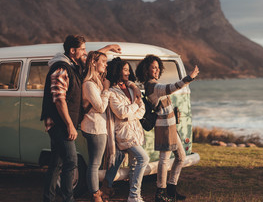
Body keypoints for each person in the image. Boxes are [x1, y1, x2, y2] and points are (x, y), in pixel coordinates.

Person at [41, 35, 135, 202]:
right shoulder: (61, 69)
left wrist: (108, 47)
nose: (85, 53)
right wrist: (70, 125)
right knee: (71, 161)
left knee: (56, 164)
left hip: (64, 122)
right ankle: (68, 199)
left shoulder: (74, 66)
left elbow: (93, 58)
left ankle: (48, 198)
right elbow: (59, 99)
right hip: (58, 123)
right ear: (72, 51)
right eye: (82, 49)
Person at [135, 55, 199, 202]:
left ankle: (171, 189)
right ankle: (160, 192)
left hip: (170, 125)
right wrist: (189, 78)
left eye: (158, 67)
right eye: (154, 67)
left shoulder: (154, 84)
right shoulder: (151, 86)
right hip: (163, 126)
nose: (157, 70)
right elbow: (171, 88)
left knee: (181, 157)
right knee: (164, 160)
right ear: (147, 69)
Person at [101, 57, 149, 202]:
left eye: (129, 70)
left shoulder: (130, 88)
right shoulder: (112, 92)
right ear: (117, 71)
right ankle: (134, 195)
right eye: (125, 70)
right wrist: (135, 106)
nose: (128, 72)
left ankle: (132, 195)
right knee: (143, 158)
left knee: (134, 163)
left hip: (135, 130)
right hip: (124, 133)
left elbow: (142, 111)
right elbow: (121, 113)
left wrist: (132, 111)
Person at [80, 51, 110, 202]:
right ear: (93, 63)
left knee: (95, 163)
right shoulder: (89, 84)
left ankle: (96, 192)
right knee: (94, 164)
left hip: (97, 127)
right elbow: (100, 107)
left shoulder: (96, 81)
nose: (105, 64)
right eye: (103, 61)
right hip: (94, 127)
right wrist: (106, 90)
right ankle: (95, 195)